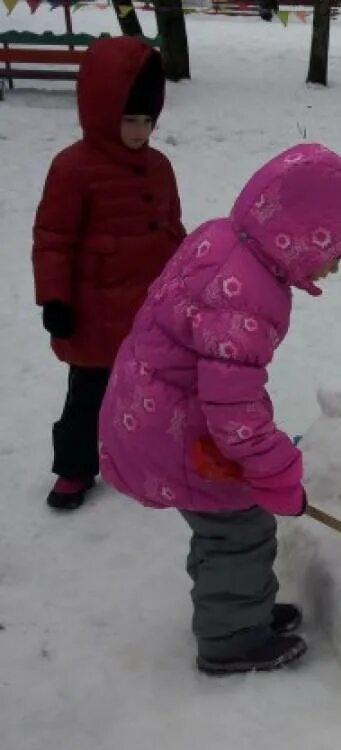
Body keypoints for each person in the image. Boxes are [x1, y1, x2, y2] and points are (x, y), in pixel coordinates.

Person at [99, 144, 341, 674]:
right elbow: (233, 403)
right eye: (336, 253)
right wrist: (271, 465)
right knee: (237, 532)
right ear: (303, 233)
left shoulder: (227, 240)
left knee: (221, 530)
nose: (335, 268)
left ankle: (239, 610)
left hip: (158, 415)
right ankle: (231, 640)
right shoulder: (248, 295)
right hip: (181, 436)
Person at [33, 37, 185, 511]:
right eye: (129, 120)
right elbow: (53, 238)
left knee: (154, 389)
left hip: (150, 310)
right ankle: (74, 469)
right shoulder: (73, 168)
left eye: (147, 121)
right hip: (96, 313)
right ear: (101, 113)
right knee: (88, 396)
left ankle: (147, 455)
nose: (140, 132)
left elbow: (172, 228)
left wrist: (187, 278)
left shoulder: (159, 167)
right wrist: (55, 299)